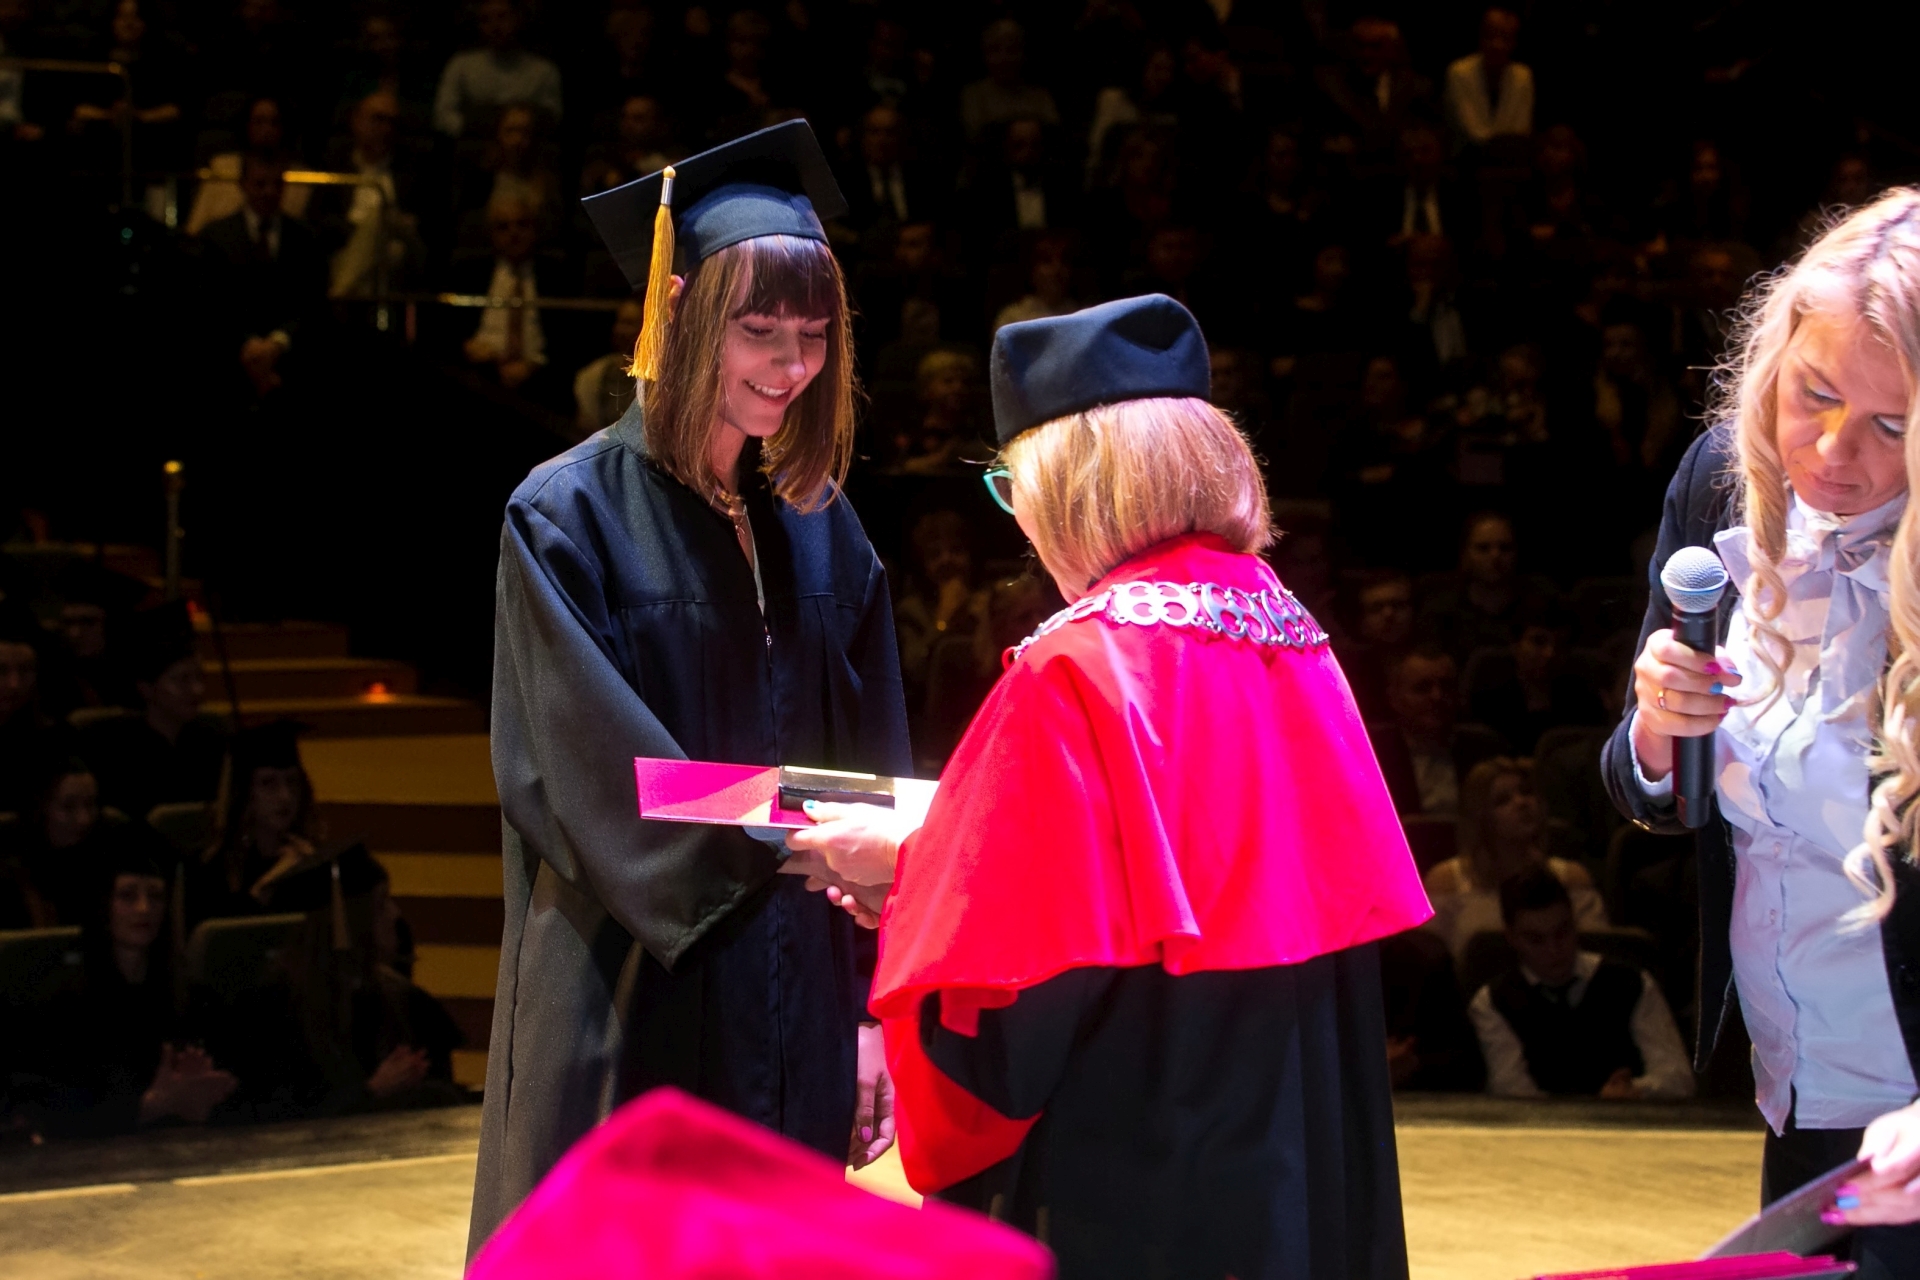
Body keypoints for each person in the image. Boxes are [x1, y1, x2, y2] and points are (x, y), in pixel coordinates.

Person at [788, 295, 1431, 1278]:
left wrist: (909, 878)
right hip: (1285, 1146)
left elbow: (1020, 992)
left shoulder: (1079, 666)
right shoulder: (1288, 630)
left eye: (1013, 486)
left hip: (1135, 1160)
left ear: (1071, 487)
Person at [470, 121, 912, 1255]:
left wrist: (872, 1009)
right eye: (758, 330)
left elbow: (874, 768)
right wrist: (809, 826)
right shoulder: (567, 517)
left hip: (797, 992)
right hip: (632, 990)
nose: (790, 366)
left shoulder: (823, 526)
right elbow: (614, 782)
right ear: (679, 310)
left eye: (814, 335)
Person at [1601, 189, 1920, 1276]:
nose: (1832, 451)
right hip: (1798, 1085)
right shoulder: (1718, 486)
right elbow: (1651, 787)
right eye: (1814, 394)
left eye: (1891, 425)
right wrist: (1657, 731)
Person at [212, 841, 462, 1120]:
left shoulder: (407, 1001)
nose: (394, 914)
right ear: (348, 921)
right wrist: (371, 1092)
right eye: (381, 904)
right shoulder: (270, 1010)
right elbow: (271, 1117)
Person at [28, 842, 238, 1135]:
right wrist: (151, 1106)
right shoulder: (65, 1005)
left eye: (156, 897)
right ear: (103, 905)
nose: (144, 908)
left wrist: (208, 1096)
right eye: (128, 896)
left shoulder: (192, 998)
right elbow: (57, 1113)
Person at [1467, 867, 1692, 1100]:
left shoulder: (1631, 983)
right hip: (1542, 1123)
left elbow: (1678, 1078)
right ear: (1511, 938)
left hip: (1631, 1119)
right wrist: (1594, 1105)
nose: (1554, 949)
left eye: (1562, 932)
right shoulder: (1493, 1002)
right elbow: (1511, 1094)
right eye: (1536, 940)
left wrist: (1635, 1090)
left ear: (1575, 923)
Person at [1424, 757, 1606, 960]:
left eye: (1526, 792)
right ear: (1481, 818)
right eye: (1503, 800)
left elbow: (1593, 958)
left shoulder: (1571, 878)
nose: (1521, 803)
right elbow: (1431, 964)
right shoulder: (1446, 882)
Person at [79, 603, 226, 825]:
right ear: (146, 688)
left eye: (199, 677)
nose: (197, 690)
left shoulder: (212, 741)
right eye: (182, 680)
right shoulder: (116, 750)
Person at [181, 719, 317, 930]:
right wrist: (266, 887)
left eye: (292, 781)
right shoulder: (208, 871)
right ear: (244, 793)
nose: (285, 796)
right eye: (268, 783)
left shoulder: (312, 860)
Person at [433, 0, 562, 138]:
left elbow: (553, 116)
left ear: (518, 19)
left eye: (502, 17)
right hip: (475, 145)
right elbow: (442, 115)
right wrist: (479, 126)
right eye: (485, 20)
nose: (495, 26)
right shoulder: (461, 66)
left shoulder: (543, 71)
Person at [1442, 8, 1533, 153]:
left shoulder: (1523, 76)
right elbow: (1470, 129)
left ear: (1514, 41)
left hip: (1510, 157)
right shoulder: (1459, 72)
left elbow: (1520, 129)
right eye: (1491, 36)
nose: (1497, 44)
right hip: (1466, 156)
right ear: (1480, 37)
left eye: (1505, 37)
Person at [571, 297, 644, 438]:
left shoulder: (663, 378)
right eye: (620, 322)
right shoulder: (594, 375)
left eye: (629, 323)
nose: (621, 330)